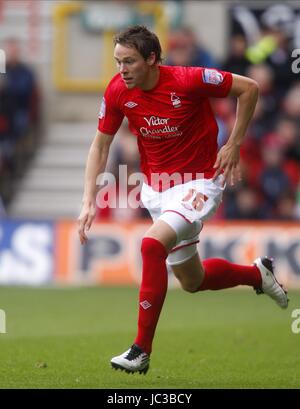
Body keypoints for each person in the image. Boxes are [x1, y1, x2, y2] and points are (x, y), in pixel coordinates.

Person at [77, 25, 289, 375]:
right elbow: (100, 145)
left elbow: (248, 89)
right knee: (192, 281)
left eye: (129, 61)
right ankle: (257, 275)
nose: (122, 70)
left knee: (150, 246)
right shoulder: (118, 91)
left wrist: (234, 142)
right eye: (117, 62)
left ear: (152, 59)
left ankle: (141, 350)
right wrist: (88, 199)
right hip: (158, 189)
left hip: (200, 184)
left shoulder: (189, 79)